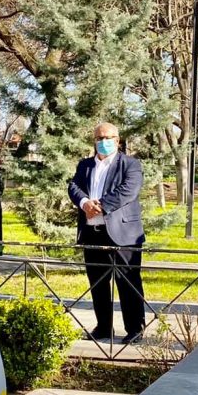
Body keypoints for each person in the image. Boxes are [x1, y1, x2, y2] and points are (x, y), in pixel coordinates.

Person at [68, 122, 146, 345]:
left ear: (117, 140)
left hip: (123, 234)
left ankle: (135, 329)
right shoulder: (85, 165)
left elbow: (129, 190)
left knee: (128, 282)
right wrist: (85, 203)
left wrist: (100, 206)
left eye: (107, 137)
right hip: (92, 232)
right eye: (99, 138)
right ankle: (104, 327)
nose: (103, 142)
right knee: (98, 283)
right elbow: (74, 187)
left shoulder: (130, 164)